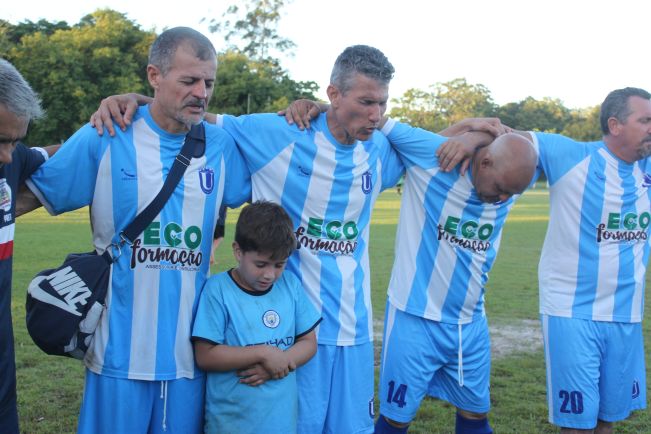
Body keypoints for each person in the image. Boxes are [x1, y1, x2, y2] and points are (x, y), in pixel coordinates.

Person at [92, 44, 404, 434]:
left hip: (355, 330)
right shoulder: (277, 133)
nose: (376, 115)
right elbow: (191, 114)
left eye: (382, 103)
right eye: (366, 102)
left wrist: (476, 129)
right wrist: (135, 99)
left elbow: (439, 152)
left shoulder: (381, 148)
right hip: (291, 330)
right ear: (334, 94)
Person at [24, 27, 250, 433]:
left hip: (188, 358)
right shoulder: (107, 133)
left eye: (209, 82)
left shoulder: (221, 146)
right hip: (116, 355)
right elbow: (28, 197)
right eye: (189, 80)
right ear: (154, 76)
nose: (201, 93)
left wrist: (315, 108)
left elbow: (285, 156)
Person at [373, 123, 537, 433]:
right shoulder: (433, 156)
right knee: (396, 418)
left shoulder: (510, 177)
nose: (503, 198)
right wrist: (315, 107)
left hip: (470, 324)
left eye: (512, 193)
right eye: (501, 187)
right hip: (414, 319)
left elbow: (513, 135)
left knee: (476, 415)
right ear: (485, 162)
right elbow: (369, 117)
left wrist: (476, 135)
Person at [516, 87, 651, 434]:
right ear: (615, 125)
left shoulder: (646, 168)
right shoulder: (570, 155)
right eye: (645, 120)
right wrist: (467, 134)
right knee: (577, 425)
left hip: (626, 315)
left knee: (608, 420)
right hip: (571, 312)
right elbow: (508, 137)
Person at [192, 200, 321, 433]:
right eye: (261, 264)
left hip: (281, 424)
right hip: (231, 424)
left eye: (279, 265)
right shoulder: (218, 290)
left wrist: (279, 363)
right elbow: (205, 355)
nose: (270, 274)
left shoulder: (290, 285)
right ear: (238, 251)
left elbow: (309, 342)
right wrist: (264, 353)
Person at [0, 58, 59, 434]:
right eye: (0, 141)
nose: (7, 156)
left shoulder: (12, 160)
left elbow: (58, 153)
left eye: (15, 141)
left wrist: (119, 109)